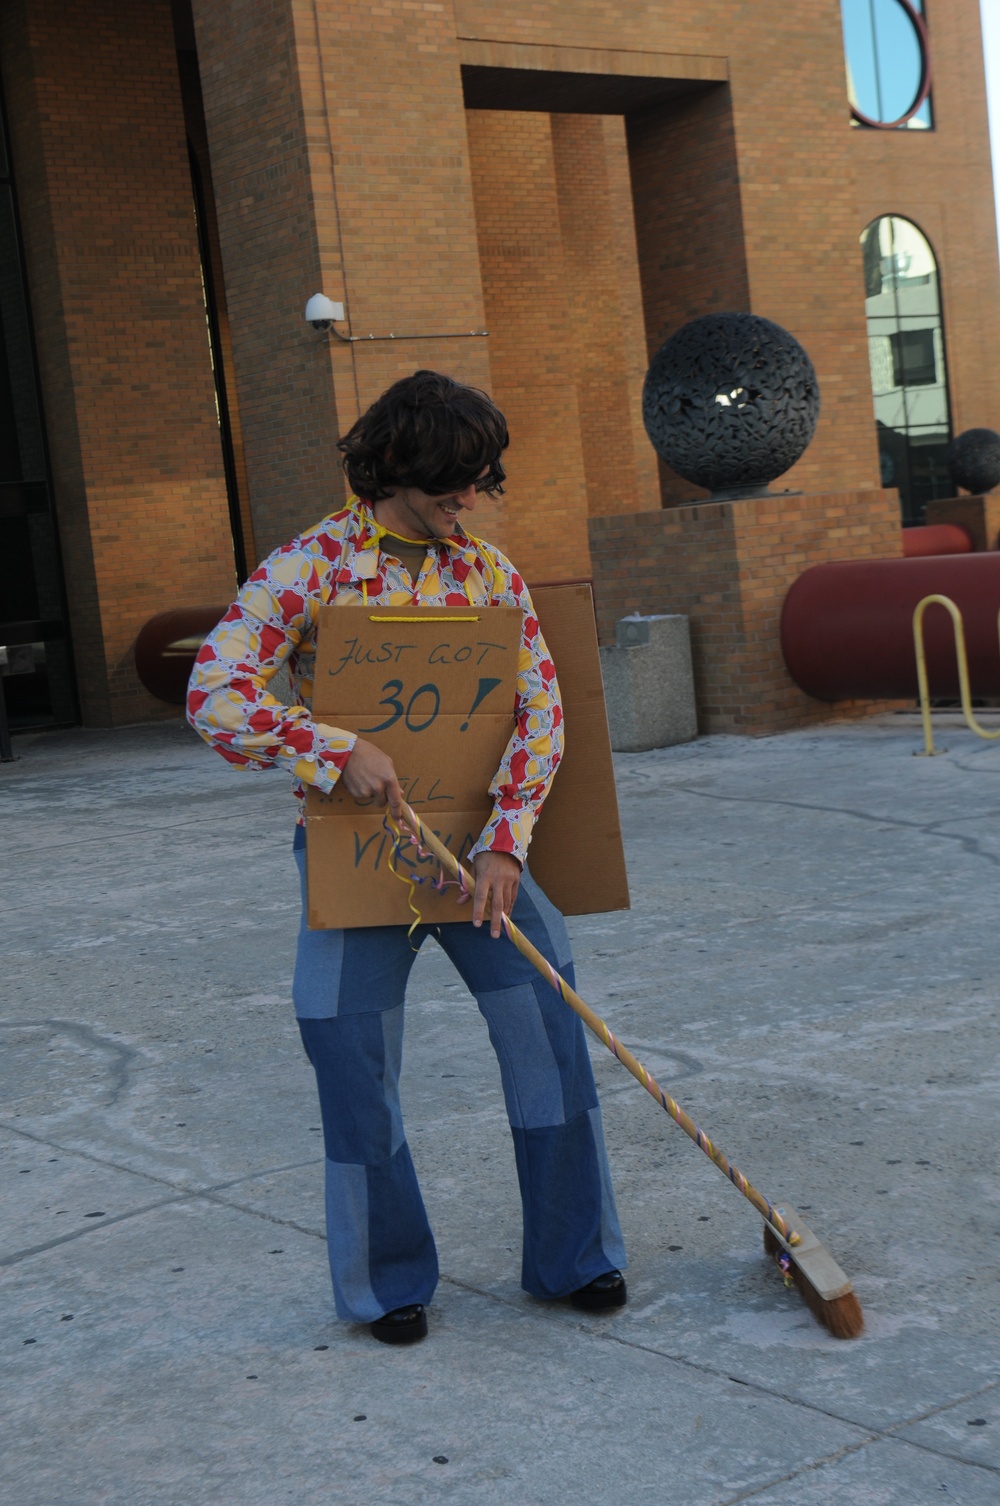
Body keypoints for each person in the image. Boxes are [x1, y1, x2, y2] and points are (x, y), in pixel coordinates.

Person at [187, 370, 627, 1344]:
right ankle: (387, 1282)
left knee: (548, 1033)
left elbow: (539, 711)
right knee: (348, 1054)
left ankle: (573, 1256)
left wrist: (508, 840)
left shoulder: (489, 573)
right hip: (359, 858)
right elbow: (214, 691)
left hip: (479, 860)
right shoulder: (306, 568)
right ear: (391, 467)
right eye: (448, 484)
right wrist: (328, 749)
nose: (468, 501)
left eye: (479, 481)